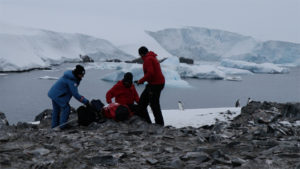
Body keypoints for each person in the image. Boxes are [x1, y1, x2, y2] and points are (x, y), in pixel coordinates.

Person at [48, 65, 89, 129]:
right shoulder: (72, 81)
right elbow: (75, 94)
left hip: (54, 93)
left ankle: (54, 126)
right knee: (66, 108)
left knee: (56, 110)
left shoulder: (70, 76)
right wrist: (86, 101)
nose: (83, 76)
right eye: (82, 74)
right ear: (77, 74)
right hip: (58, 95)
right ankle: (62, 126)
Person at [136, 46, 165, 126]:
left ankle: (158, 124)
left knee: (151, 104)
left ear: (141, 54)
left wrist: (141, 80)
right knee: (145, 102)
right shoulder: (152, 57)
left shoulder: (148, 59)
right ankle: (150, 122)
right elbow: (152, 74)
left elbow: (150, 73)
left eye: (140, 55)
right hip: (156, 83)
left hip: (155, 85)